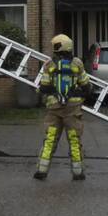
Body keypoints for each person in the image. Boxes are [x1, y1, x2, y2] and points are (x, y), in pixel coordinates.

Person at [34, 34, 92, 181]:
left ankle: (42, 170)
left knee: (50, 138)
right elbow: (86, 85)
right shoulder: (77, 63)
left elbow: (45, 87)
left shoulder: (49, 65)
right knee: (74, 139)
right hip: (73, 109)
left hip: (54, 108)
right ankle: (78, 172)